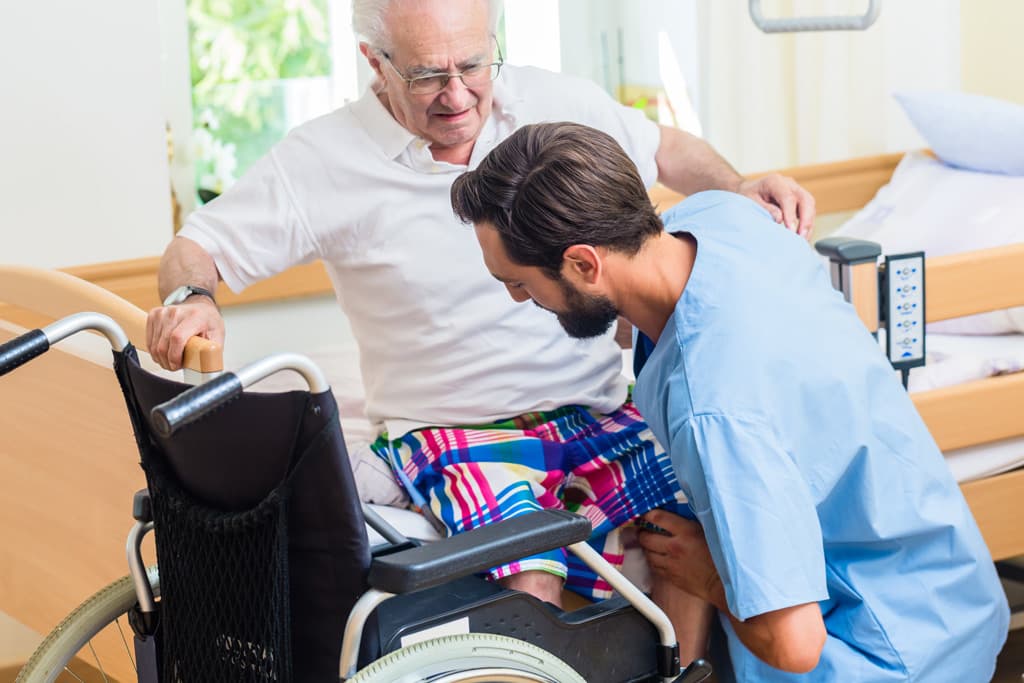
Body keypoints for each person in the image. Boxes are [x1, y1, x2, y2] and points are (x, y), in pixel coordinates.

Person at [146, 0, 813, 644]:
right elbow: (197, 246)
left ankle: (683, 670)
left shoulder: (555, 103)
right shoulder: (322, 160)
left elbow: (665, 148)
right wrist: (190, 296)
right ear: (373, 62)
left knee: (690, 515)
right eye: (427, 75)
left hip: (596, 405)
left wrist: (740, 188)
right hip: (453, 428)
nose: (457, 94)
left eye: (472, 64)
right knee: (530, 566)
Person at [450, 120, 1009, 681]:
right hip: (956, 597)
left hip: (887, 656)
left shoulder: (714, 408)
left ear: (584, 263)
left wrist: (708, 575)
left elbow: (796, 646)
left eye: (519, 283)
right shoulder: (722, 217)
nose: (518, 298)